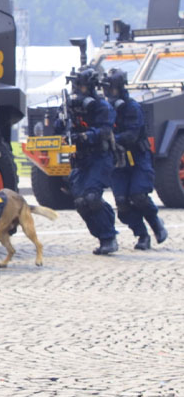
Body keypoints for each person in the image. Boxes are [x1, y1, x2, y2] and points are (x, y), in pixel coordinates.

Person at [54, 65, 119, 255]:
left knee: (92, 197)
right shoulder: (70, 106)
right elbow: (59, 127)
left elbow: (105, 130)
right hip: (80, 159)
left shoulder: (102, 106)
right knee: (81, 201)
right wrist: (62, 119)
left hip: (100, 157)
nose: (78, 91)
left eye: (81, 87)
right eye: (76, 87)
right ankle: (101, 234)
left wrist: (86, 136)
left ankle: (109, 237)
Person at [102, 67, 168, 250]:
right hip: (119, 160)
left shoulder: (132, 108)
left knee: (138, 195)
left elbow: (132, 135)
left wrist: (111, 138)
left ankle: (156, 224)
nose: (110, 93)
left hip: (138, 157)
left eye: (113, 89)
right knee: (122, 202)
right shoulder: (105, 108)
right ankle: (142, 235)